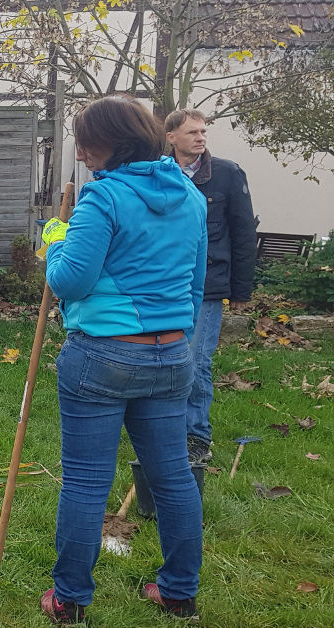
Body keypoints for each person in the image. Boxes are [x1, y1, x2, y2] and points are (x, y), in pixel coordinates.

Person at [40, 96, 207, 624]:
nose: (81, 151)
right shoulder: (190, 196)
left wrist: (56, 241)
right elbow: (196, 287)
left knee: (88, 481)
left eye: (88, 141)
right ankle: (179, 592)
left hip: (103, 358)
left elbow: (69, 280)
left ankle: (69, 598)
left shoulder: (102, 200)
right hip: (172, 353)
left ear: (118, 141)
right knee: (173, 477)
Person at [165, 109, 258, 465]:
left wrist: (241, 291)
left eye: (204, 131)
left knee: (196, 360)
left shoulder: (227, 174)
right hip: (166, 282)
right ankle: (164, 429)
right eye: (192, 132)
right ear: (171, 136)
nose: (201, 137)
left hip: (208, 284)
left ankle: (196, 437)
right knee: (164, 358)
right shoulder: (159, 171)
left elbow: (244, 233)